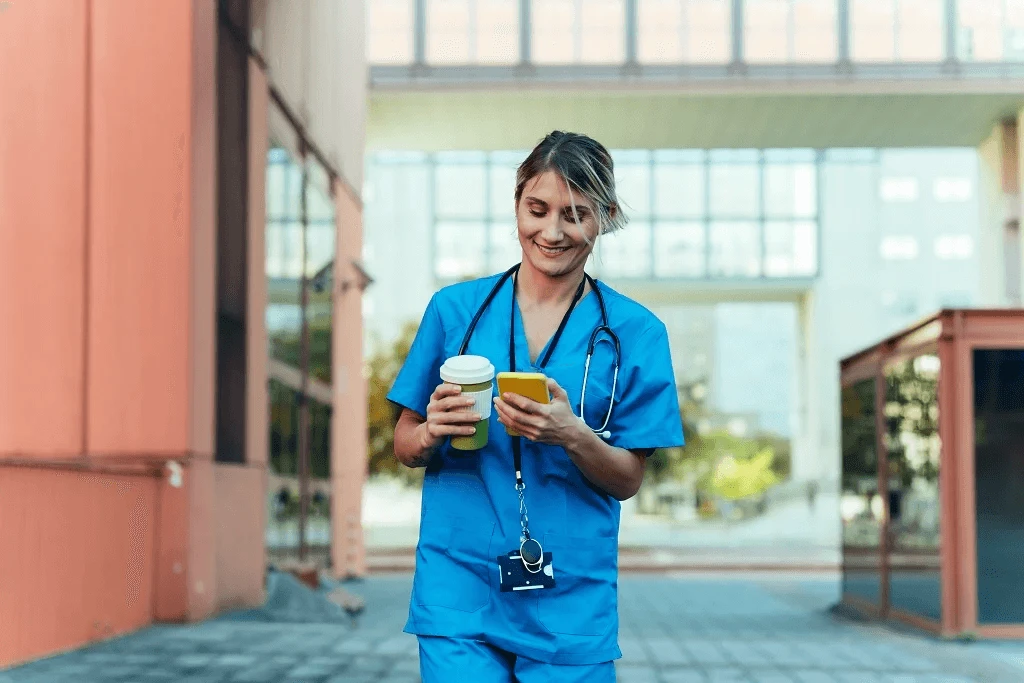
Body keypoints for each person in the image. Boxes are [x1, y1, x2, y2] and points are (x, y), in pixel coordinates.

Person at [388, 131, 684, 682]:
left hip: (568, 596)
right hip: (460, 582)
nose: (551, 232)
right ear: (517, 203)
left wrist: (573, 434)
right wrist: (430, 431)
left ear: (605, 217)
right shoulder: (455, 311)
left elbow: (627, 479)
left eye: (575, 214)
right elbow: (404, 444)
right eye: (537, 209)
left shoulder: (635, 332)